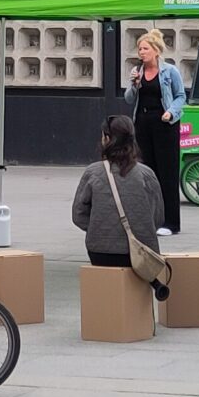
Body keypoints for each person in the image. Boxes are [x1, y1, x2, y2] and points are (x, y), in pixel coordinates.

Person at [71, 115, 165, 277]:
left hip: (100, 251)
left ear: (106, 139)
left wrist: (98, 228)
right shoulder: (146, 174)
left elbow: (78, 216)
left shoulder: (92, 172)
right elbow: (158, 217)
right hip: (142, 253)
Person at [125, 29, 187, 236]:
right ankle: (151, 219)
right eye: (139, 49)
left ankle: (171, 222)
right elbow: (129, 99)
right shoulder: (138, 71)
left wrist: (171, 112)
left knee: (166, 173)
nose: (141, 52)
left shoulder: (170, 71)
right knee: (146, 172)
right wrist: (134, 85)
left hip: (164, 124)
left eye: (145, 49)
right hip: (143, 123)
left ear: (156, 51)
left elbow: (180, 96)